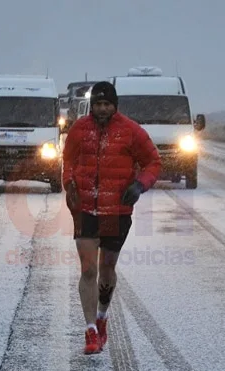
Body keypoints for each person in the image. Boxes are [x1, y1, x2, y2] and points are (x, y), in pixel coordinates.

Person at [62, 81, 162, 354]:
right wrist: (69, 184)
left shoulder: (131, 131)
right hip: (85, 210)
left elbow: (154, 162)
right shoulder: (79, 130)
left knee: (106, 270)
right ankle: (90, 331)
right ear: (92, 105)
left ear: (115, 105)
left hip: (116, 211)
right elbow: (67, 161)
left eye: (107, 104)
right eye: (98, 104)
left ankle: (102, 317)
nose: (102, 109)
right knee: (87, 270)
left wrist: (139, 185)